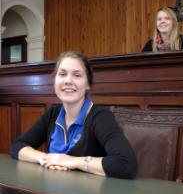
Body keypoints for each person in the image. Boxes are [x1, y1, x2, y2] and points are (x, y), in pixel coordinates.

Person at [11, 51, 138, 179]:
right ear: (55, 82)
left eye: (77, 75)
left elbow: (127, 164)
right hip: (51, 193)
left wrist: (71, 161)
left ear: (88, 84)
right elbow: (18, 146)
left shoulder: (100, 117)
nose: (68, 80)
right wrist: (46, 159)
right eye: (62, 74)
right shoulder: (52, 114)